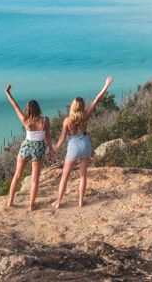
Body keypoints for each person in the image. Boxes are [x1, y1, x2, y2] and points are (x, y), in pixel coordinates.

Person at [52, 76, 113, 209]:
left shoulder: (67, 121)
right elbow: (97, 100)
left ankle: (58, 202)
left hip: (73, 146)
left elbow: (62, 137)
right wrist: (106, 85)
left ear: (73, 106)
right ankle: (80, 202)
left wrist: (55, 148)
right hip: (85, 144)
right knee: (82, 176)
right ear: (83, 106)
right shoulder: (86, 115)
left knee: (65, 176)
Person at [4, 84, 55, 211]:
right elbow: (48, 136)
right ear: (38, 109)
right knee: (35, 179)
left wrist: (8, 93)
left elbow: (15, 106)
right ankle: (31, 205)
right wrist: (51, 149)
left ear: (28, 110)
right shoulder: (45, 120)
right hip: (38, 148)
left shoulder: (25, 120)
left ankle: (10, 202)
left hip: (26, 146)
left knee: (17, 175)